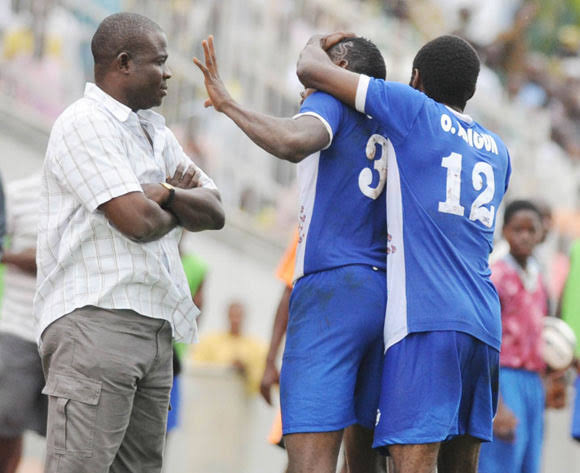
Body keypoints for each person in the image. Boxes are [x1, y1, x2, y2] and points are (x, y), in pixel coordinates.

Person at [295, 34, 511, 473]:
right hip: (485, 324)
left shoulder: (414, 109)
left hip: (428, 319)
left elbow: (311, 71)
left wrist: (319, 42)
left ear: (415, 79)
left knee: (411, 463)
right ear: (470, 90)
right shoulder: (499, 151)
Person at [35, 12, 225, 473]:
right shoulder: (85, 122)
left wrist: (166, 192)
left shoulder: (155, 132)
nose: (168, 73)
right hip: (97, 322)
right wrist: (177, 206)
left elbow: (216, 210)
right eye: (159, 62)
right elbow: (135, 222)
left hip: (155, 329)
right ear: (123, 63)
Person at [195, 36, 388, 473]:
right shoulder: (394, 120)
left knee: (309, 461)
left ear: (337, 64)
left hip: (331, 289)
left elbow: (294, 141)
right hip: (384, 294)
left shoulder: (330, 101)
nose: (303, 83)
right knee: (364, 462)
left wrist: (228, 103)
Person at [478, 200, 548, 473]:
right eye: (518, 229)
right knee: (501, 459)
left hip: (532, 380)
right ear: (505, 231)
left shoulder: (537, 275)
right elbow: (486, 340)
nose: (525, 236)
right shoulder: (497, 274)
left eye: (532, 230)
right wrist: (496, 403)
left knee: (528, 460)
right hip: (505, 378)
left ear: (542, 233)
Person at [0, 174, 42, 473]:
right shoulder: (18, 193)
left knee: (70, 439)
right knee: (6, 426)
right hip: (18, 329)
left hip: (75, 335)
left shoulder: (105, 195)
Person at [192, 301, 267, 394]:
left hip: (244, 401)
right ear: (227, 316)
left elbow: (263, 378)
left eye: (238, 316)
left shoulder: (256, 346)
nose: (235, 320)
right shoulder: (210, 342)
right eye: (233, 316)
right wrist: (228, 369)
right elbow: (197, 371)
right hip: (215, 398)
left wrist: (246, 370)